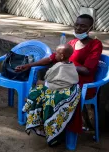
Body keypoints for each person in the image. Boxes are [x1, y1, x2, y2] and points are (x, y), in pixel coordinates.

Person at [16, 14, 103, 145]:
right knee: (38, 92)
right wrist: (28, 65)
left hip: (81, 85)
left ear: (90, 28)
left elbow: (87, 70)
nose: (78, 28)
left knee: (55, 97)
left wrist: (66, 64)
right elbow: (52, 57)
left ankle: (57, 132)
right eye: (77, 25)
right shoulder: (72, 43)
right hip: (62, 81)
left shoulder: (95, 44)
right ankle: (43, 125)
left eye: (83, 26)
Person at [22, 44, 80, 146]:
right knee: (38, 88)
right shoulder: (70, 65)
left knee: (37, 89)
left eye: (56, 53)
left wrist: (43, 83)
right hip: (64, 87)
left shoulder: (61, 67)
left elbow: (55, 81)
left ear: (62, 56)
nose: (55, 55)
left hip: (61, 88)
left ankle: (43, 126)